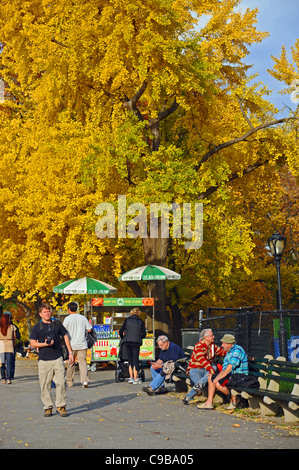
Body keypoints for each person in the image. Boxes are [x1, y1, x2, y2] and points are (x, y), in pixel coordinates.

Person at [30, 303, 73, 417]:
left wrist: (70, 352)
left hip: (57, 357)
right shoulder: (37, 327)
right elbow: (33, 343)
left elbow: (65, 336)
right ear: (40, 314)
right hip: (44, 360)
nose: (47, 313)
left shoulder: (57, 324)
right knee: (45, 385)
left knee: (61, 383)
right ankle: (48, 407)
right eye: (44, 312)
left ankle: (61, 406)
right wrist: (44, 344)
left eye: (48, 311)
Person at [197, 334, 249, 410]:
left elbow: (231, 366)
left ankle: (234, 400)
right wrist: (217, 377)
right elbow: (224, 368)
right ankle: (209, 402)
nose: (222, 345)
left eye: (224, 343)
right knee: (211, 377)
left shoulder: (237, 350)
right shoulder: (229, 352)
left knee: (218, 383)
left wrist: (220, 377)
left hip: (240, 377)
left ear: (229, 344)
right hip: (232, 375)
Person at [182, 328, 226, 405]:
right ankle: (198, 387)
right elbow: (202, 359)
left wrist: (231, 350)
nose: (214, 337)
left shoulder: (213, 346)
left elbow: (222, 352)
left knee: (200, 383)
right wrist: (210, 369)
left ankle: (188, 397)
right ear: (206, 337)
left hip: (206, 371)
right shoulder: (198, 345)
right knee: (200, 384)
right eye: (212, 335)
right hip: (195, 369)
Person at [63, 301, 92, 388]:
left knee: (71, 363)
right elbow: (89, 329)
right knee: (82, 363)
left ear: (69, 309)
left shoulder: (67, 319)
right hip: (82, 344)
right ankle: (84, 381)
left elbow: (63, 331)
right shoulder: (83, 318)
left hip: (71, 345)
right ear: (77, 309)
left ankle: (70, 382)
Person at [119, 307, 146, 384]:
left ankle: (130, 377)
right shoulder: (141, 321)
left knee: (130, 359)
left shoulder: (127, 320)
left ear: (131, 313)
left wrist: (123, 337)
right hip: (136, 342)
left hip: (127, 342)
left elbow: (121, 331)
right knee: (135, 360)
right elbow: (144, 334)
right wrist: (139, 337)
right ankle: (135, 378)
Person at [0, 312, 17, 384]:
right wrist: (14, 344)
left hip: (1, 345)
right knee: (9, 363)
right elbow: (15, 337)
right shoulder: (12, 327)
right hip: (9, 345)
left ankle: (3, 378)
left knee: (2, 363)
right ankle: (8, 379)